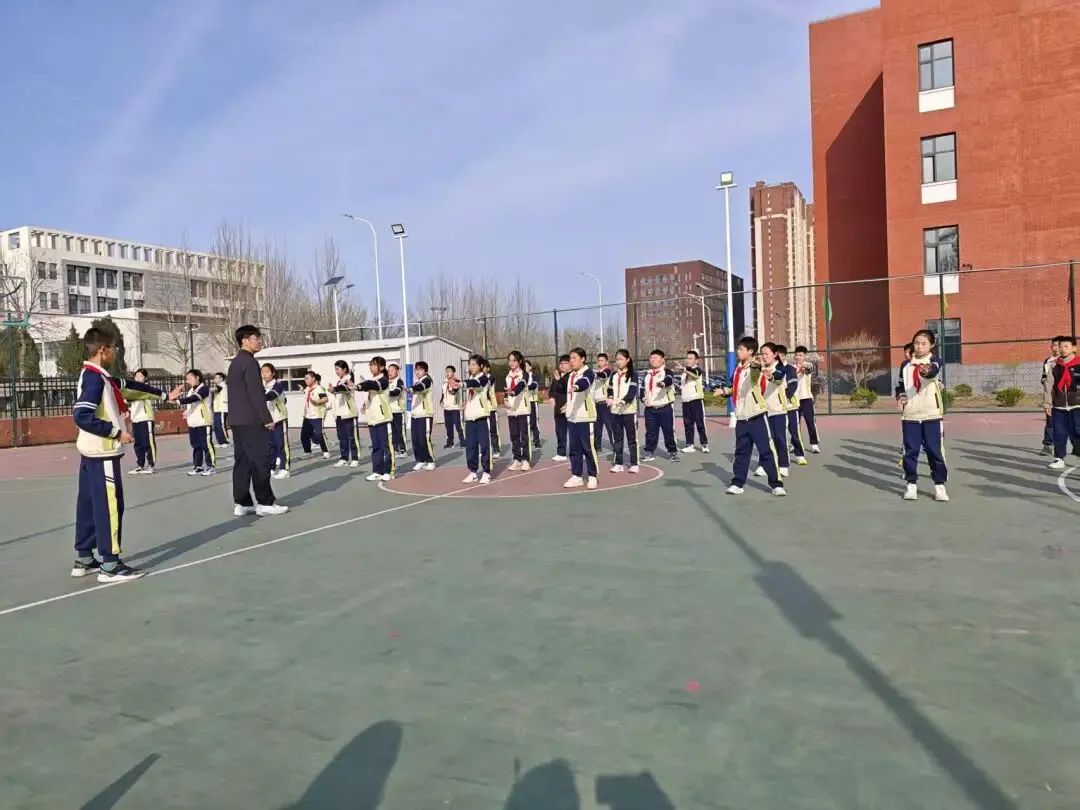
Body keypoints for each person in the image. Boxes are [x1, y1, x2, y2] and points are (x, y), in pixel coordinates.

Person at [72, 327, 168, 582]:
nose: (115, 353)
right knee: (110, 508)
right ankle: (110, 565)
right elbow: (82, 415)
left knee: (89, 505)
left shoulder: (96, 376)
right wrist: (115, 433)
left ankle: (84, 558)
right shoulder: (95, 379)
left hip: (90, 452)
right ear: (103, 350)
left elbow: (129, 387)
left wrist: (165, 394)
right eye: (113, 348)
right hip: (102, 453)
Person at [226, 325, 286, 517]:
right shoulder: (250, 362)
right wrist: (266, 418)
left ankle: (242, 502)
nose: (259, 341)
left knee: (242, 462)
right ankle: (265, 502)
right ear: (244, 340)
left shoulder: (235, 363)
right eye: (256, 338)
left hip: (238, 421)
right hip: (251, 421)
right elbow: (256, 393)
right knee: (260, 460)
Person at [721, 336, 784, 496]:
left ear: (750, 351)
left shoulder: (756, 366)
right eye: (738, 348)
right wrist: (724, 391)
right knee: (741, 452)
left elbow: (758, 376)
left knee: (766, 451)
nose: (738, 351)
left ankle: (776, 484)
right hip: (742, 417)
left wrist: (758, 367)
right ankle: (737, 483)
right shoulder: (738, 369)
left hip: (757, 416)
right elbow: (733, 388)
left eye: (741, 349)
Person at [896, 329, 948, 501]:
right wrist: (901, 397)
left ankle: (939, 486)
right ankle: (911, 484)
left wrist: (926, 371)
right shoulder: (905, 365)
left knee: (934, 451)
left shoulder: (935, 361)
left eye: (923, 343)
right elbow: (900, 386)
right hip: (910, 415)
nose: (919, 347)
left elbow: (932, 371)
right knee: (910, 451)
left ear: (931, 345)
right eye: (916, 343)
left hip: (931, 414)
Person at [563, 347, 599, 489]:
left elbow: (585, 383)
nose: (571, 361)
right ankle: (576, 476)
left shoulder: (588, 373)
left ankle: (592, 476)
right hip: (572, 417)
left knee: (588, 448)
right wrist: (568, 405)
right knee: (574, 448)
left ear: (582, 359)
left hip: (585, 417)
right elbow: (571, 396)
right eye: (570, 358)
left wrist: (577, 387)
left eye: (574, 358)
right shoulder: (571, 375)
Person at [754, 343, 791, 479]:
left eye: (766, 354)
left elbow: (778, 378)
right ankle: (764, 464)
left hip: (778, 409)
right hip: (763, 410)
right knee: (764, 440)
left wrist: (770, 376)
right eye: (762, 354)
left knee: (780, 438)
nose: (764, 356)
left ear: (775, 354)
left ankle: (783, 465)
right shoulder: (759, 369)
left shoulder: (781, 368)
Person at [170, 370, 216, 476]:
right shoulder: (191, 390)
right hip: (192, 422)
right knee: (196, 446)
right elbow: (192, 404)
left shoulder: (204, 389)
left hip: (203, 421)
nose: (188, 381)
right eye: (187, 379)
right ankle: (198, 467)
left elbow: (194, 399)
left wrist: (179, 401)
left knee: (206, 445)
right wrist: (187, 412)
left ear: (197, 377)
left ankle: (211, 467)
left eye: (190, 378)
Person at [1046, 334, 1080, 471]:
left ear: (1074, 348)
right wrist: (1047, 404)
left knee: (1077, 432)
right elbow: (1048, 386)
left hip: (1077, 406)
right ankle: (1059, 458)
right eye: (1061, 347)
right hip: (1059, 406)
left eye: (1066, 346)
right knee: (1059, 433)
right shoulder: (1054, 366)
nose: (1062, 349)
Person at [358, 356, 394, 481]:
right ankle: (377, 471)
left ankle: (389, 471)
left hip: (383, 418)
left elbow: (372, 385)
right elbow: (371, 394)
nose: (372, 367)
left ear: (382, 367)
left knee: (386, 446)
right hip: (372, 419)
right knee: (376, 447)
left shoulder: (383, 380)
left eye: (374, 365)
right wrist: (365, 406)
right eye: (371, 364)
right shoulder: (373, 380)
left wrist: (359, 386)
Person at [640, 349, 679, 463]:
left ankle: (672, 451)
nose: (653, 360)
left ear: (662, 359)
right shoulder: (647, 374)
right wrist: (644, 399)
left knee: (668, 431)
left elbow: (669, 379)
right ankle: (649, 452)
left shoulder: (667, 371)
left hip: (665, 408)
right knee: (650, 433)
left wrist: (663, 383)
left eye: (655, 358)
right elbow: (642, 389)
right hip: (650, 409)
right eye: (651, 358)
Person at [607, 348, 640, 473]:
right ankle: (618, 463)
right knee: (617, 439)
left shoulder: (633, 375)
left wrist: (623, 401)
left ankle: (634, 463)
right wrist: (610, 398)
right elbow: (610, 390)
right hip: (615, 412)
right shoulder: (614, 375)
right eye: (617, 359)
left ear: (627, 360)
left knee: (632, 439)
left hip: (629, 412)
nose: (618, 362)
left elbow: (632, 392)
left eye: (621, 359)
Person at [461, 354, 492, 484]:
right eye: (470, 364)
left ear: (480, 366)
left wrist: (462, 383)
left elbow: (476, 384)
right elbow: (472, 392)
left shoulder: (484, 379)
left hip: (481, 417)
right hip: (469, 418)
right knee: (470, 447)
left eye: (473, 364)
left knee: (484, 446)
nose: (471, 367)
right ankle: (473, 472)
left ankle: (486, 472)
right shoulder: (470, 378)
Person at [777, 345, 806, 465]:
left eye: (778, 355)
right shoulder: (771, 369)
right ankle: (779, 458)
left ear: (784, 356)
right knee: (777, 434)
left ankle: (799, 455)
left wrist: (785, 395)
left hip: (791, 406)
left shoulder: (790, 369)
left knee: (794, 431)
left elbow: (792, 386)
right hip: (776, 408)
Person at [328, 360, 361, 468]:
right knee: (342, 438)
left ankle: (355, 458)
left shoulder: (349, 378)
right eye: (335, 369)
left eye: (338, 369)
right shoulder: (339, 381)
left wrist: (334, 389)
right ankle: (344, 458)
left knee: (352, 437)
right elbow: (336, 396)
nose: (336, 371)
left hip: (349, 413)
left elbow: (345, 387)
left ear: (344, 369)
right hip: (339, 414)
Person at [261, 363, 291, 479]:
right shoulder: (261, 386)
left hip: (279, 419)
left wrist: (258, 396)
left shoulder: (278, 385)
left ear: (273, 373)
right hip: (267, 420)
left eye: (267, 372)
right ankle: (271, 468)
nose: (264, 374)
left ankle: (285, 469)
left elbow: (272, 395)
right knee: (270, 446)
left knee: (281, 444)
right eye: (262, 372)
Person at [504, 350, 533, 471]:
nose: (511, 363)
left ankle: (525, 460)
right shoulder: (508, 376)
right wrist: (506, 399)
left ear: (519, 361)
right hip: (511, 410)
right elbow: (506, 390)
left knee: (524, 435)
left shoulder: (524, 374)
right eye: (510, 360)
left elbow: (521, 385)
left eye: (514, 360)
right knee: (514, 436)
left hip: (522, 409)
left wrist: (513, 392)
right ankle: (517, 459)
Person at [676, 349, 709, 453]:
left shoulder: (697, 370)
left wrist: (684, 369)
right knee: (688, 424)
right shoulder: (684, 373)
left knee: (700, 424)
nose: (688, 360)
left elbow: (694, 374)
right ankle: (690, 445)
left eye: (691, 358)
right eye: (687, 358)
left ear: (696, 360)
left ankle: (704, 444)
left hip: (696, 401)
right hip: (685, 402)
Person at [128, 368, 159, 474]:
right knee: (138, 444)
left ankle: (151, 465)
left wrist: (127, 397)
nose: (138, 378)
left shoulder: (147, 388)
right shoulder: (133, 389)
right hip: (135, 419)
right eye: (136, 376)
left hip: (146, 418)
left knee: (148, 443)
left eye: (140, 376)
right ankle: (140, 465)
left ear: (145, 378)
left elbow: (134, 397)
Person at [409, 360, 436, 471]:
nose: (417, 372)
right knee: (415, 439)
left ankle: (430, 461)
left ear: (425, 371)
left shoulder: (427, 380)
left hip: (425, 415)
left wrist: (411, 389)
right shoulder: (417, 382)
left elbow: (422, 387)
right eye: (416, 369)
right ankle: (420, 460)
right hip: (415, 414)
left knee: (423, 439)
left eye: (420, 369)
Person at [792, 345, 820, 454]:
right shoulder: (791, 368)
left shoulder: (808, 365)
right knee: (795, 424)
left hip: (806, 398)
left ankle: (814, 444)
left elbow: (807, 370)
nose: (798, 357)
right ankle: (795, 444)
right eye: (797, 355)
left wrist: (803, 369)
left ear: (805, 356)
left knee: (810, 422)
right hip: (794, 399)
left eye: (801, 355)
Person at [300, 371, 331, 459]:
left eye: (307, 378)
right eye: (305, 379)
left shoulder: (319, 388)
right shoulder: (307, 389)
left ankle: (326, 452)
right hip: (307, 416)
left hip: (317, 415)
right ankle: (308, 452)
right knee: (304, 435)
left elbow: (325, 399)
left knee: (319, 434)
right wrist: (305, 413)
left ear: (313, 379)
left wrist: (316, 402)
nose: (305, 380)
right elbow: (307, 399)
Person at [591, 352, 614, 454]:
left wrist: (595, 374)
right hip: (596, 404)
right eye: (598, 360)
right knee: (597, 427)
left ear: (606, 362)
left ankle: (615, 445)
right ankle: (597, 446)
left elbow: (604, 375)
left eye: (602, 360)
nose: (599, 362)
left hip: (606, 404)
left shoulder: (607, 371)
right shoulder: (595, 373)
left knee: (610, 426)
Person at [550, 354, 571, 461]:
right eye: (561, 363)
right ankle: (561, 453)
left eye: (565, 363)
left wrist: (560, 379)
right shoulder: (556, 376)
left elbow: (568, 387)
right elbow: (552, 390)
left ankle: (578, 452)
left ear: (570, 364)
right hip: (558, 408)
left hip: (569, 408)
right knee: (559, 432)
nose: (562, 365)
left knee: (574, 432)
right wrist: (552, 398)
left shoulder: (572, 376)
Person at [441, 365, 465, 448]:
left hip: (455, 407)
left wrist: (452, 386)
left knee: (458, 426)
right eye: (446, 371)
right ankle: (450, 443)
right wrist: (441, 400)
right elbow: (443, 393)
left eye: (449, 371)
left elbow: (454, 391)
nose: (447, 373)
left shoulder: (457, 381)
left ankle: (463, 442)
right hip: (446, 408)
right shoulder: (444, 382)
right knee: (448, 426)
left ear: (453, 372)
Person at [483, 360, 502, 457]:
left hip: (491, 407)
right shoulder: (478, 378)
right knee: (483, 431)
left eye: (484, 367)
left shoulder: (491, 377)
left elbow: (486, 385)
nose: (482, 369)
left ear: (488, 368)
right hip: (482, 409)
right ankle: (485, 450)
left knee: (493, 430)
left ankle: (496, 450)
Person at [387, 363, 408, 455]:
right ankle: (395, 449)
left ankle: (403, 450)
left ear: (397, 371)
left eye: (392, 370)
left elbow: (396, 392)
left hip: (398, 410)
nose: (390, 372)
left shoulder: (399, 381)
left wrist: (385, 392)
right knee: (392, 432)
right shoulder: (387, 382)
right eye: (389, 371)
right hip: (389, 411)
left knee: (399, 431)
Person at [524, 359, 542, 449]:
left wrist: (524, 387)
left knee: (534, 423)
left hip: (532, 402)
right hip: (524, 403)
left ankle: (537, 441)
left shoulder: (534, 376)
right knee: (525, 423)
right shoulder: (522, 376)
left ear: (530, 367)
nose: (524, 368)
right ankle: (526, 441)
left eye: (526, 366)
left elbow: (534, 385)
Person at [210, 371, 230, 448]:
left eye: (216, 378)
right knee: (216, 426)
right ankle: (220, 442)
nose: (214, 379)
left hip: (222, 409)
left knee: (221, 425)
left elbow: (215, 389)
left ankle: (226, 441)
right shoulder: (218, 386)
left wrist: (206, 390)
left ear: (221, 379)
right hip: (217, 409)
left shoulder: (222, 385)